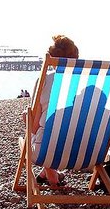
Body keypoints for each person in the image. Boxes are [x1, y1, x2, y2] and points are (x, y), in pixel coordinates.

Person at [23, 34, 79, 186]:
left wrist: (27, 120)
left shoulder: (44, 80)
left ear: (52, 59)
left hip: (45, 152)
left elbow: (35, 126)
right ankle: (48, 175)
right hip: (84, 152)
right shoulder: (90, 80)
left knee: (42, 129)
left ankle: (52, 179)